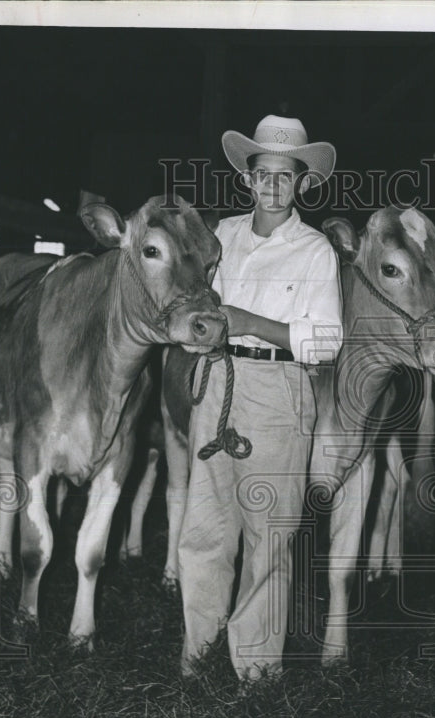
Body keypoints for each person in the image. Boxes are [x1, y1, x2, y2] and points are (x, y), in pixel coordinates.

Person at [178, 115, 343, 680]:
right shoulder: (219, 237)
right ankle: (196, 658)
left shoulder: (315, 250)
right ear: (247, 179)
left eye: (285, 176)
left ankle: (256, 673)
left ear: (301, 183)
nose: (272, 185)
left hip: (279, 391)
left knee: (268, 537)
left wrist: (249, 320)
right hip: (216, 381)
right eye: (263, 174)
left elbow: (324, 343)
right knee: (204, 529)